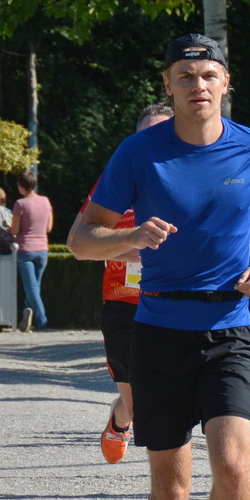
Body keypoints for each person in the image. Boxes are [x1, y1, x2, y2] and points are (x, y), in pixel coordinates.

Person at [68, 33, 250, 500]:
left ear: (226, 84)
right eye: (186, 76)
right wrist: (131, 236)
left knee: (234, 466)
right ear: (168, 86)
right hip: (160, 331)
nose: (198, 85)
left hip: (231, 326)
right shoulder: (139, 152)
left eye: (208, 75)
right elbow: (81, 240)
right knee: (170, 486)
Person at [81, 104, 175, 464]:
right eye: (146, 134)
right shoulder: (115, 181)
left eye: (162, 132)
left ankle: (169, 482)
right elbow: (83, 243)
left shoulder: (189, 178)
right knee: (135, 403)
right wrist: (129, 248)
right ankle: (120, 421)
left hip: (172, 301)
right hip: (123, 304)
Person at [10, 169, 53, 331]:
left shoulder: (20, 204)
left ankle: (41, 321)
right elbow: (48, 227)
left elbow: (14, 230)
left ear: (20, 186)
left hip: (25, 250)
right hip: (43, 249)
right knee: (35, 287)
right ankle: (27, 312)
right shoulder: (46, 201)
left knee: (32, 288)